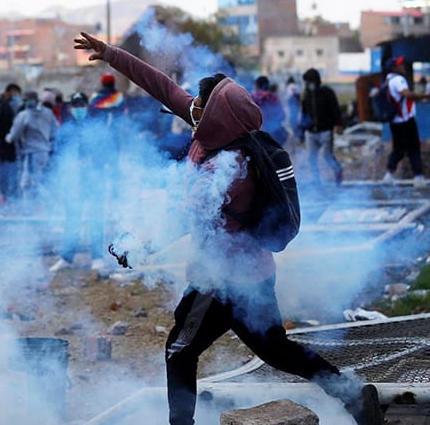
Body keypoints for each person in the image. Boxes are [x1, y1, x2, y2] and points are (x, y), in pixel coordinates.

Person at [73, 32, 383, 425]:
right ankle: (351, 395)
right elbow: (163, 87)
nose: (191, 108)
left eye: (199, 105)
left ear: (216, 114)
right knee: (276, 349)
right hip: (254, 276)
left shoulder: (231, 167)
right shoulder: (216, 131)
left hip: (220, 282)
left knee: (180, 351)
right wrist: (112, 55)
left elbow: (185, 217)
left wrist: (138, 245)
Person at [48, 92, 109, 272]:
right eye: (76, 105)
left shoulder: (96, 128)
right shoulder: (65, 129)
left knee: (96, 218)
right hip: (73, 181)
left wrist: (93, 161)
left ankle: (97, 257)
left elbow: (106, 151)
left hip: (94, 179)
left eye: (82, 105)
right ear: (70, 108)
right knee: (72, 218)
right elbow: (58, 154)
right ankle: (67, 257)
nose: (79, 108)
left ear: (87, 107)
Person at [382, 56, 430, 184]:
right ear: (394, 68)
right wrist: (426, 95)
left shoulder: (388, 80)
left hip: (395, 121)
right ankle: (418, 176)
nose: (402, 66)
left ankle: (389, 174)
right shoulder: (399, 79)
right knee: (414, 147)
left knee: (398, 148)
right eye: (399, 64)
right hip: (406, 120)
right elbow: (407, 94)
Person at [5, 90, 59, 201]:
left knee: (28, 182)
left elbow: (13, 135)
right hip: (45, 152)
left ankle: (33, 207)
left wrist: (7, 138)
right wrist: (50, 146)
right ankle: (42, 205)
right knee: (39, 180)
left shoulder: (24, 115)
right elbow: (56, 131)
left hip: (31, 153)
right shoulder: (48, 113)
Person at [300, 68, 345, 186]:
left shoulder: (327, 93)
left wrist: (339, 124)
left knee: (327, 155)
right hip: (311, 132)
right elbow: (304, 113)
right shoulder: (306, 95)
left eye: (309, 81)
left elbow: (336, 109)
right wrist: (302, 131)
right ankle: (316, 180)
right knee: (311, 158)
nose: (307, 85)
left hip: (325, 131)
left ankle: (338, 171)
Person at [0, 83, 22, 202]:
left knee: (13, 172)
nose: (14, 96)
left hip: (13, 146)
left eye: (16, 93)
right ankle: (8, 197)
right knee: (5, 173)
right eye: (12, 93)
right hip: (5, 145)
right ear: (6, 93)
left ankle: (12, 196)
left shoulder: (18, 106)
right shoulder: (1, 106)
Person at [250, 75, 288, 145]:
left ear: (256, 85)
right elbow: (282, 116)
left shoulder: (251, 97)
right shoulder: (273, 97)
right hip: (273, 136)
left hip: (256, 136)